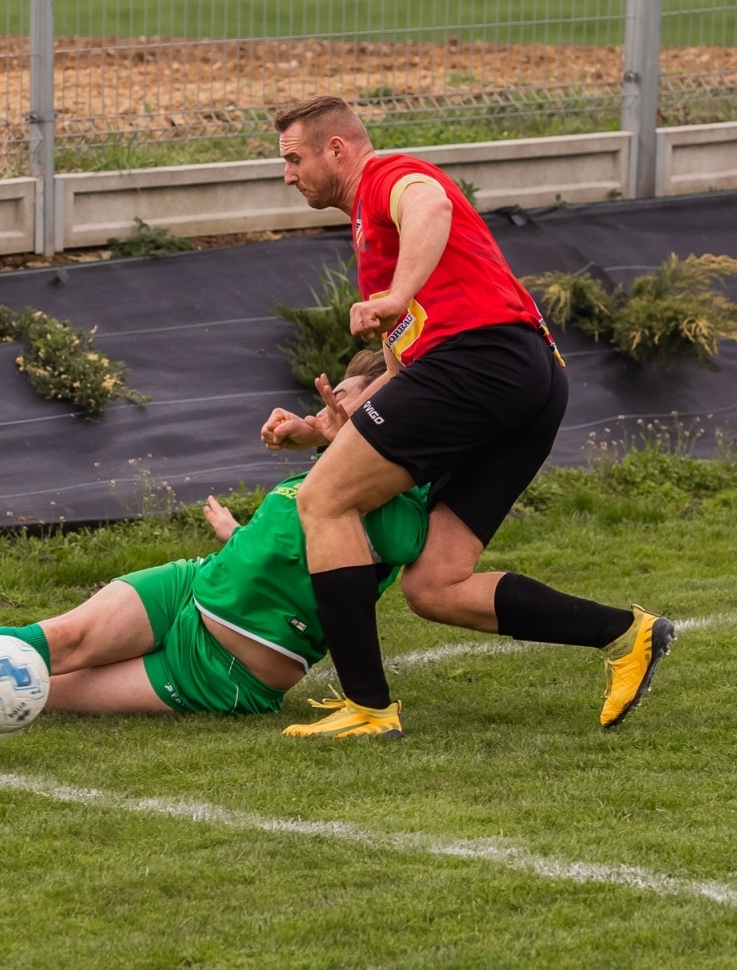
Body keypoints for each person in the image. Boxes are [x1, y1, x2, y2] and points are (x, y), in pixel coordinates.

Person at [262, 94, 674, 739]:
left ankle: (368, 707)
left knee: (322, 502)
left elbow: (431, 202)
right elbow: (403, 372)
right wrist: (328, 429)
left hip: (479, 363)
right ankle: (627, 633)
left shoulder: (385, 178)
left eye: (293, 158)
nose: (287, 174)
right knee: (436, 585)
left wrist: (394, 293)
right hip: (526, 376)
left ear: (335, 149)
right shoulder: (370, 227)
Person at [0, 353, 430, 736]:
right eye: (348, 392)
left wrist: (373, 394)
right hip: (189, 587)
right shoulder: (322, 468)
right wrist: (238, 536)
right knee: (59, 637)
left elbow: (357, 536)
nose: (340, 402)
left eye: (358, 395)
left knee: (53, 690)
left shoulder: (404, 497)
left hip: (223, 668)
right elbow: (288, 548)